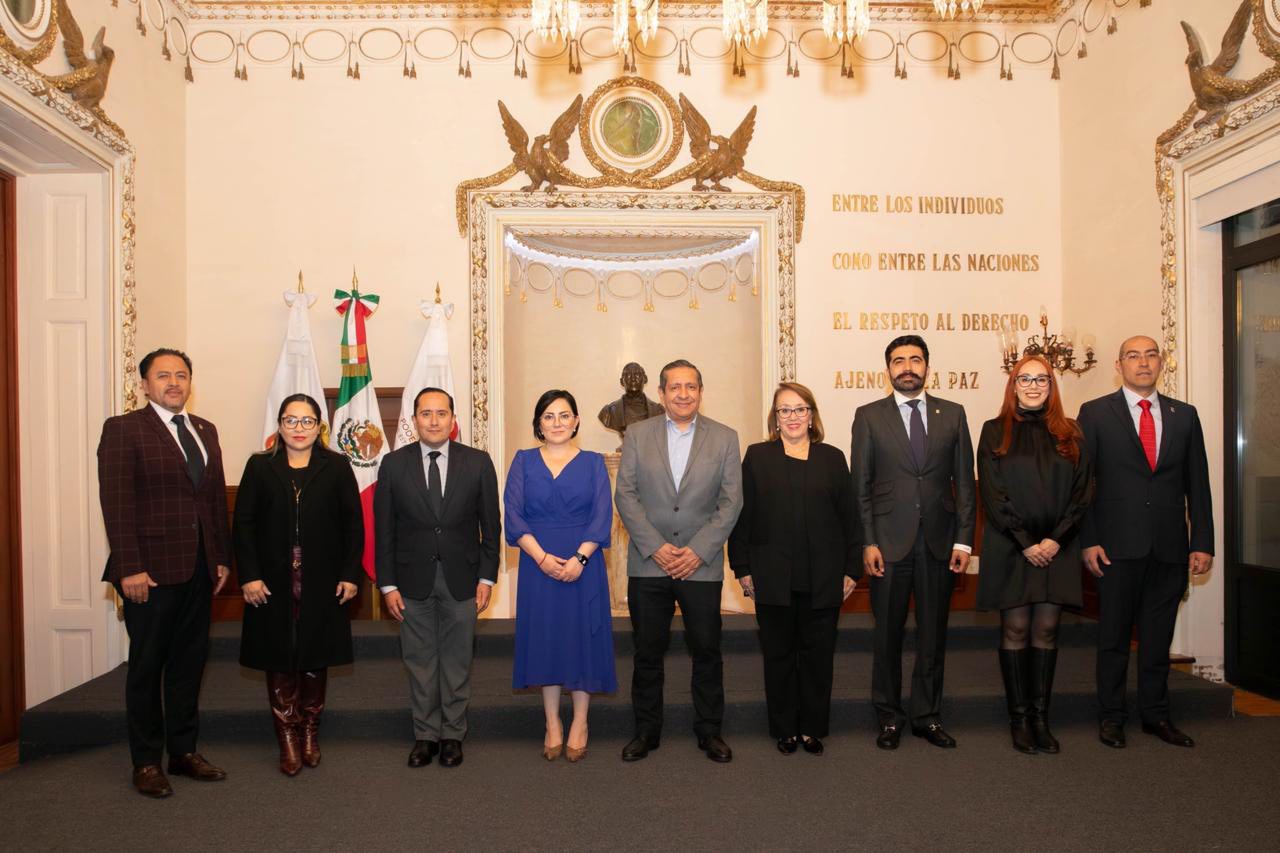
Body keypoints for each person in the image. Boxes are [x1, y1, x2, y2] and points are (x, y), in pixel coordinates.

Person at [97, 348, 231, 798]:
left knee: (189, 665)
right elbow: (116, 503)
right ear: (144, 385)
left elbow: (213, 501)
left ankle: (184, 752)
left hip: (199, 569)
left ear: (190, 381)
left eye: (181, 375)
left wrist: (221, 557)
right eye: (163, 375)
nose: (174, 382)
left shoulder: (205, 430)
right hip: (149, 573)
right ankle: (147, 761)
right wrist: (129, 567)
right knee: (147, 667)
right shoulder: (124, 429)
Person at [1079, 335, 1213, 749]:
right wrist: (1089, 540)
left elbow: (1198, 484)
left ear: (1161, 362)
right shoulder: (1095, 413)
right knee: (1114, 639)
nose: (1143, 362)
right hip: (1115, 547)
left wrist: (1202, 541)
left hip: (1170, 549)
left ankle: (1156, 716)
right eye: (1133, 356)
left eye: (1151, 355)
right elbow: (1083, 484)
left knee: (1158, 639)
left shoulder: (1184, 415)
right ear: (1119, 365)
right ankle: (1112, 717)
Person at [850, 335, 976, 750]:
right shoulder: (869, 416)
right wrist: (867, 541)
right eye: (899, 360)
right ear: (888, 369)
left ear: (927, 367)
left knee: (933, 636)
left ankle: (927, 716)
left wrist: (963, 542)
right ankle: (889, 717)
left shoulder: (953, 414)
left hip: (939, 543)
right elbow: (860, 486)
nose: (907, 367)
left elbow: (965, 483)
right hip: (887, 545)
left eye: (915, 360)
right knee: (887, 635)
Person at [614, 359, 743, 763]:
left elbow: (731, 502)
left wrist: (698, 550)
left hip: (700, 565)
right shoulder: (638, 435)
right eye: (675, 387)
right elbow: (625, 495)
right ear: (661, 393)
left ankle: (710, 732)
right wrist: (655, 546)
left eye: (691, 387)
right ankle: (646, 732)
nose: (683, 394)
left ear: (701, 392)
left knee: (706, 651)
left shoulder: (725, 438)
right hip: (648, 563)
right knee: (647, 653)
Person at [233, 394, 363, 776]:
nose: (299, 428)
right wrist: (249, 575)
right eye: (291, 420)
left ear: (319, 427)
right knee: (278, 656)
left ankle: (309, 730)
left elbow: (353, 525)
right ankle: (286, 734)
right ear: (280, 425)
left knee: (314, 656)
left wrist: (350, 573)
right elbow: (243, 525)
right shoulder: (259, 466)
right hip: (271, 582)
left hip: (322, 580)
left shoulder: (336, 466)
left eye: (307, 421)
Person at [729, 382, 858, 756]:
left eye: (800, 409)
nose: (793, 416)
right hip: (771, 576)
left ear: (812, 415)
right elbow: (742, 516)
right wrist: (742, 567)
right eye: (784, 410)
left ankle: (812, 728)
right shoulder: (757, 457)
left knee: (818, 658)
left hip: (824, 577)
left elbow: (850, 520)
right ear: (775, 417)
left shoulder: (833, 458)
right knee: (779, 657)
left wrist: (851, 569)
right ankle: (785, 728)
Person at [374, 387, 501, 769]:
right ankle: (426, 735)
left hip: (463, 580)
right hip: (410, 581)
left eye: (441, 413)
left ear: (453, 419)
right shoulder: (393, 465)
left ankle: (452, 736)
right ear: (414, 420)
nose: (434, 421)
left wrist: (487, 579)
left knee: (457, 662)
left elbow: (491, 527)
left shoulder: (478, 463)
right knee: (420, 662)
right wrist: (387, 584)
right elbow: (384, 530)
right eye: (426, 414)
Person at [976, 356, 1092, 755]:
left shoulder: (1072, 433)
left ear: (1051, 386)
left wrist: (1056, 540)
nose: (1033, 385)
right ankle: (1019, 720)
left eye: (1041, 379)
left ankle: (1041, 719)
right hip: (1012, 546)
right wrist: (1025, 541)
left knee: (1047, 630)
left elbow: (1083, 492)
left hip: (1058, 547)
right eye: (1024, 379)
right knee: (1015, 630)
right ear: (1013, 386)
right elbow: (993, 493)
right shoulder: (994, 430)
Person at [505, 390, 616, 762]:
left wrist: (579, 559)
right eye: (549, 416)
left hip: (583, 563)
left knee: (581, 638)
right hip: (538, 563)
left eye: (564, 415)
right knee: (547, 638)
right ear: (539, 423)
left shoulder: (593, 463)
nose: (557, 423)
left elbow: (602, 515)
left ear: (576, 420)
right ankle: (552, 721)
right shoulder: (522, 461)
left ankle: (580, 721)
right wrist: (540, 558)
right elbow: (513, 515)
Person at [597, 362, 664, 445]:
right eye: (628, 375)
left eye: (637, 374)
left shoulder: (658, 411)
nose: (633, 379)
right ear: (621, 381)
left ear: (645, 379)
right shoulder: (609, 412)